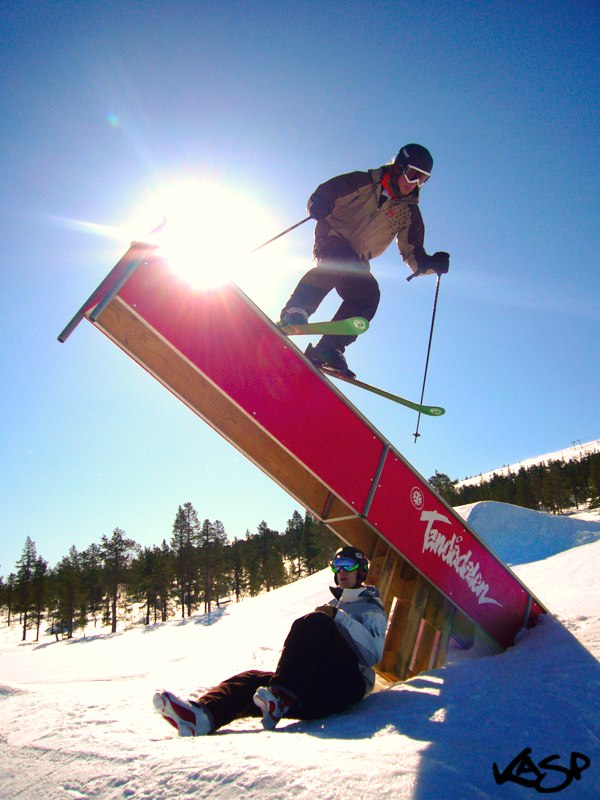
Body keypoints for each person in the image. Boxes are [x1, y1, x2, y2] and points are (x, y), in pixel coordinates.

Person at [153, 546, 387, 736]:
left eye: (348, 565)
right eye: (337, 565)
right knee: (252, 680)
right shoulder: (333, 606)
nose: (341, 571)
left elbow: (373, 655)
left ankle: (281, 695)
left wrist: (339, 618)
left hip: (346, 687)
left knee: (315, 622)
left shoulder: (370, 607)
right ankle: (202, 716)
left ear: (361, 572)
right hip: (318, 691)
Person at [278, 143, 450, 379]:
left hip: (357, 260)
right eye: (412, 174)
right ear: (399, 167)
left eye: (423, 179)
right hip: (332, 238)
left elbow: (414, 256)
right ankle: (296, 310)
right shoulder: (363, 182)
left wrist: (431, 264)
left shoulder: (409, 213)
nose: (415, 183)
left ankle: (330, 348)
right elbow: (325, 193)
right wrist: (318, 204)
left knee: (368, 293)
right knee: (338, 261)